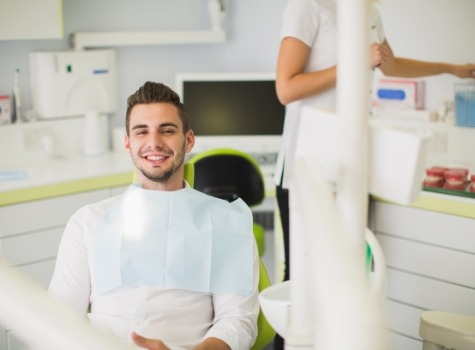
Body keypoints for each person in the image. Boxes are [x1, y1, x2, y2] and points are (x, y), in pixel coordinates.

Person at [273, 0, 475, 348]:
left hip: (350, 168)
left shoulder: (367, 11)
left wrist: (453, 69)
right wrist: (353, 63)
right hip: (306, 168)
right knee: (304, 285)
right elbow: (286, 88)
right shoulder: (307, 6)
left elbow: (391, 64)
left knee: (349, 281)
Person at [48, 81, 260, 350]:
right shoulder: (88, 222)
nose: (154, 143)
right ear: (127, 143)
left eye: (167, 130)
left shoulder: (226, 224)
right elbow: (59, 318)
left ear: (189, 139)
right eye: (141, 132)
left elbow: (237, 320)